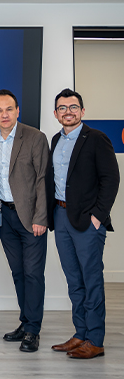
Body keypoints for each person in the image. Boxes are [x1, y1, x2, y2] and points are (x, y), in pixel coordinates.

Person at [47, 89, 119, 359]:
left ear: (82, 111)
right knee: (74, 279)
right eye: (62, 108)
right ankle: (80, 334)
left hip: (87, 220)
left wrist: (98, 216)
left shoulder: (97, 139)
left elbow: (111, 180)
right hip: (61, 216)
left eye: (73, 107)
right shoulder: (56, 140)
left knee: (91, 280)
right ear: (56, 114)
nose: (68, 112)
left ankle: (96, 340)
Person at [0, 89, 49, 352]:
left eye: (9, 109)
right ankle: (25, 323)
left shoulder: (34, 137)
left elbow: (43, 179)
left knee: (34, 274)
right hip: (6, 216)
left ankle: (33, 331)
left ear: (17, 110)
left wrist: (41, 217)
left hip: (32, 218)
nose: (4, 114)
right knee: (19, 273)